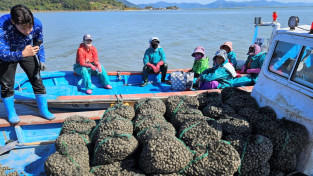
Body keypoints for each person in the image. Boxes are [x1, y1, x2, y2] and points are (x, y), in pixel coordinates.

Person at [0, 5, 55, 124]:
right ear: (13, 22)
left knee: (37, 79)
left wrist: (41, 59)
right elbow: (2, 54)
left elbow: (38, 43)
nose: (28, 31)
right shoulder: (2, 26)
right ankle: (11, 113)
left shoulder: (37, 24)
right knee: (7, 85)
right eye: (24, 28)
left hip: (27, 50)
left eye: (30, 27)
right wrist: (22, 54)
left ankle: (43, 110)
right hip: (7, 54)